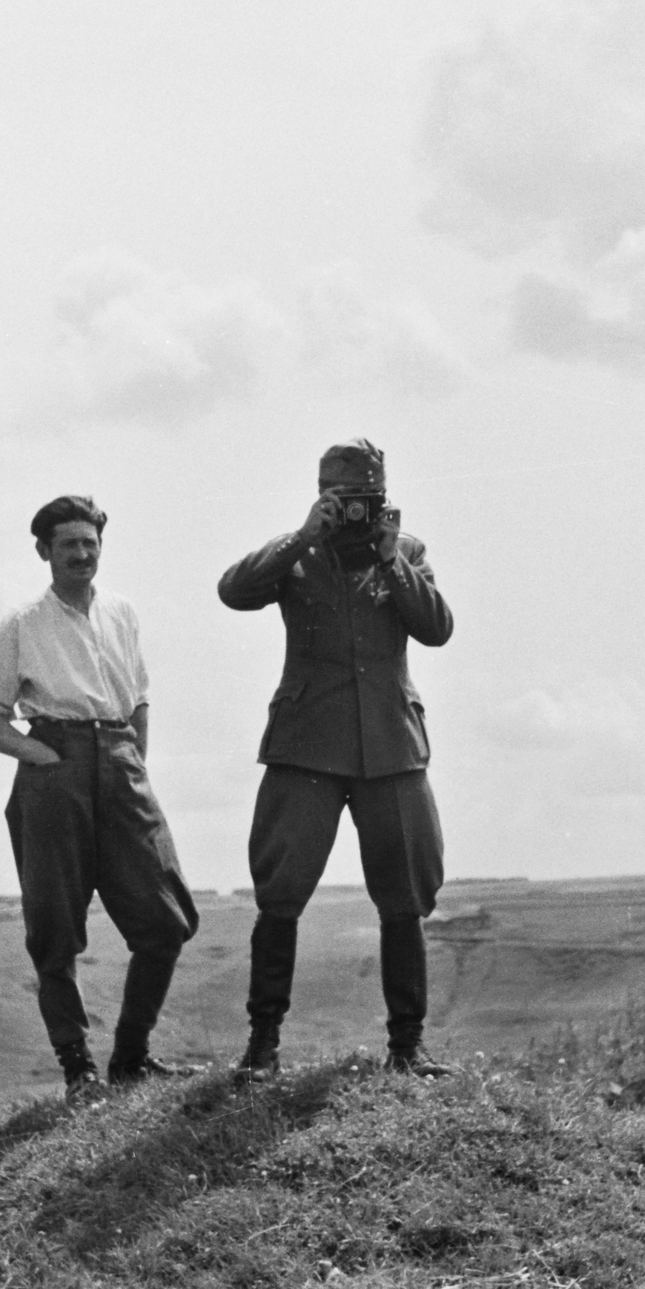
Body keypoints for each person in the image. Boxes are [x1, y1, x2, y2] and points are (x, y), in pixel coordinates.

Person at [217, 439, 454, 1080]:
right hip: (307, 747)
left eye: (362, 496)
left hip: (390, 747)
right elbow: (232, 591)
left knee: (406, 895)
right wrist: (301, 537)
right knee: (280, 894)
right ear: (320, 492)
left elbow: (437, 628)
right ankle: (262, 1046)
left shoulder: (407, 553)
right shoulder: (297, 554)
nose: (351, 507)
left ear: (382, 493)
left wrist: (390, 560)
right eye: (337, 494)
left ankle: (408, 1046)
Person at [0, 495, 198, 1102]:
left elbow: (139, 695)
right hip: (56, 770)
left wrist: (131, 760)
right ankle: (79, 1072)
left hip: (121, 765)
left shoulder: (122, 612)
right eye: (68, 543)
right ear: (45, 551)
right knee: (54, 928)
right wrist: (47, 759)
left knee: (165, 921)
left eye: (90, 542)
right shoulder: (22, 625)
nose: (81, 553)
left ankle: (132, 1057)